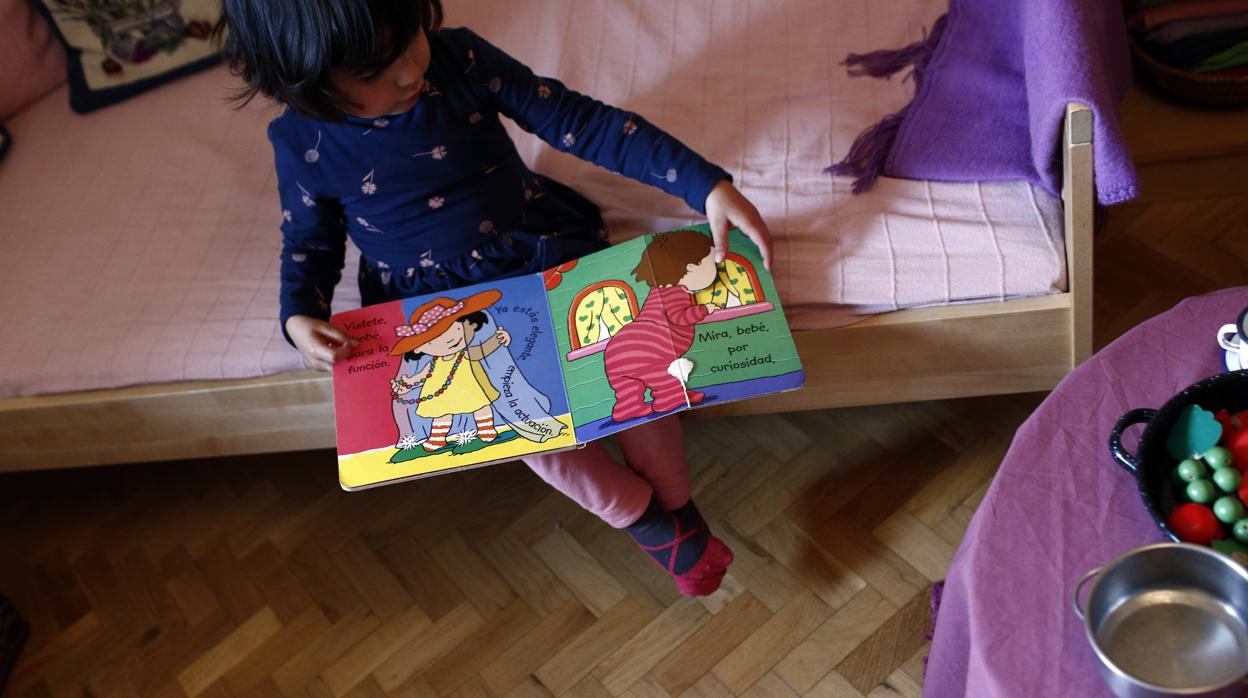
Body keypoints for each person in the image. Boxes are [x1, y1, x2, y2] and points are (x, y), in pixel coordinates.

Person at [215, 0, 772, 596]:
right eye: (374, 73)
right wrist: (299, 315)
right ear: (303, 84)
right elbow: (309, 240)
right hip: (432, 304)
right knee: (521, 424)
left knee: (639, 375)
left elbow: (581, 121)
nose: (409, 72)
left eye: (410, 40)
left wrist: (703, 183)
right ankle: (654, 525)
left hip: (538, 246)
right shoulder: (300, 139)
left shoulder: (460, 58)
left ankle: (678, 514)